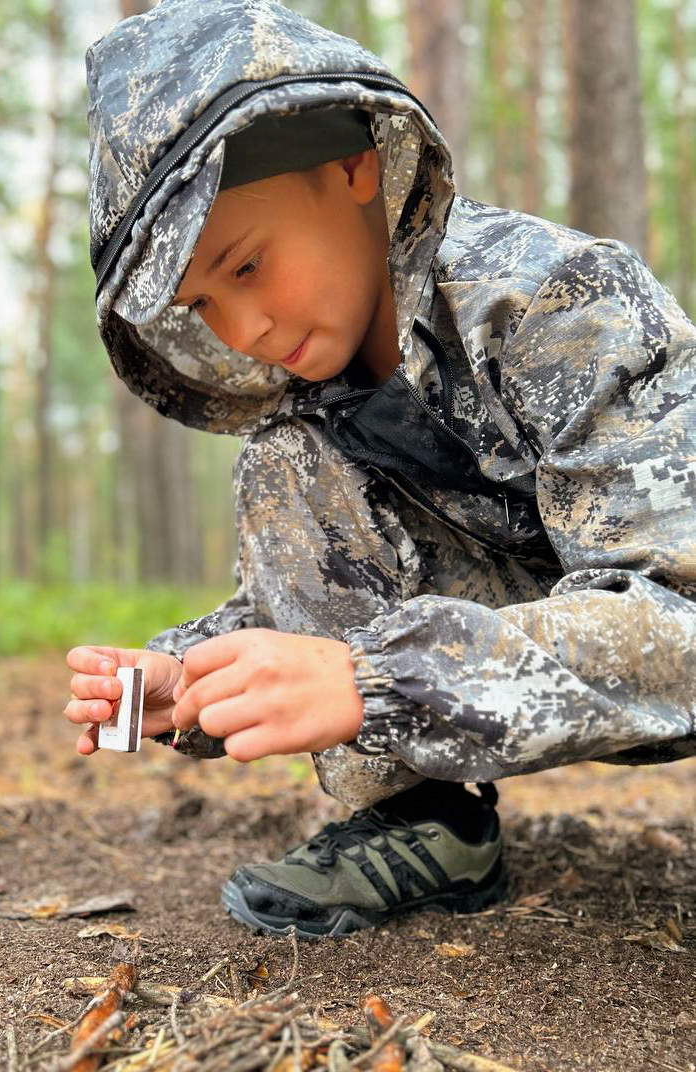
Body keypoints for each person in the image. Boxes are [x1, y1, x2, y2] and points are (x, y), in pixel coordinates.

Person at [65, 0, 696, 939]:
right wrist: (184, 682)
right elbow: (312, 614)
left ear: (354, 164)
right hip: (523, 659)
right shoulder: (314, 405)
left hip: (656, 640)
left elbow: (680, 617)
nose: (243, 333)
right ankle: (427, 823)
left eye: (244, 266)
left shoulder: (557, 304)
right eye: (201, 306)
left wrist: (376, 681)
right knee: (282, 458)